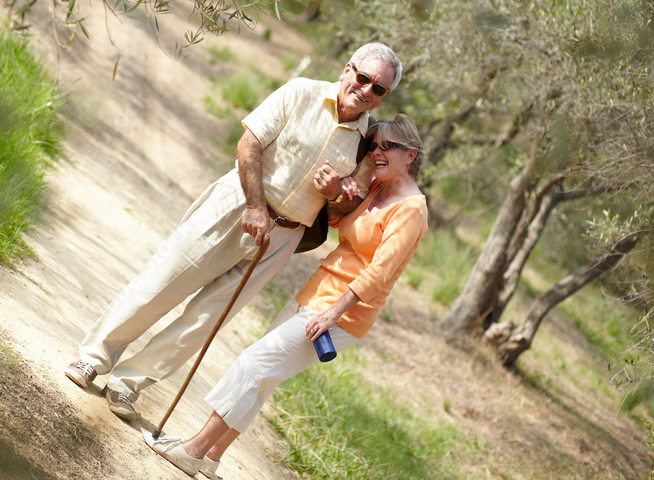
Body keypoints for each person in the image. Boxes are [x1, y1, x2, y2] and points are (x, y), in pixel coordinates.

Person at [65, 43, 403, 421]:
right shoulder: (300, 92)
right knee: (161, 283)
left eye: (379, 89)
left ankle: (127, 384)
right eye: (363, 78)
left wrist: (334, 195)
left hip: (283, 238)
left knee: (206, 320)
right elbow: (250, 142)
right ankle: (92, 359)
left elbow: (341, 209)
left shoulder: (365, 143)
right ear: (347, 70)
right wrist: (256, 206)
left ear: (383, 97)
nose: (366, 90)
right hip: (237, 207)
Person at [145, 114, 428, 478]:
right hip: (314, 293)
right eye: (373, 146)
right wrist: (338, 195)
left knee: (254, 364)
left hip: (341, 314)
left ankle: (192, 451)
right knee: (265, 376)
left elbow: (380, 273)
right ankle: (212, 457)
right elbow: (341, 224)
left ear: (411, 155)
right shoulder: (377, 189)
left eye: (387, 146)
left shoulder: (411, 210)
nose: (376, 152)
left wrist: (332, 315)